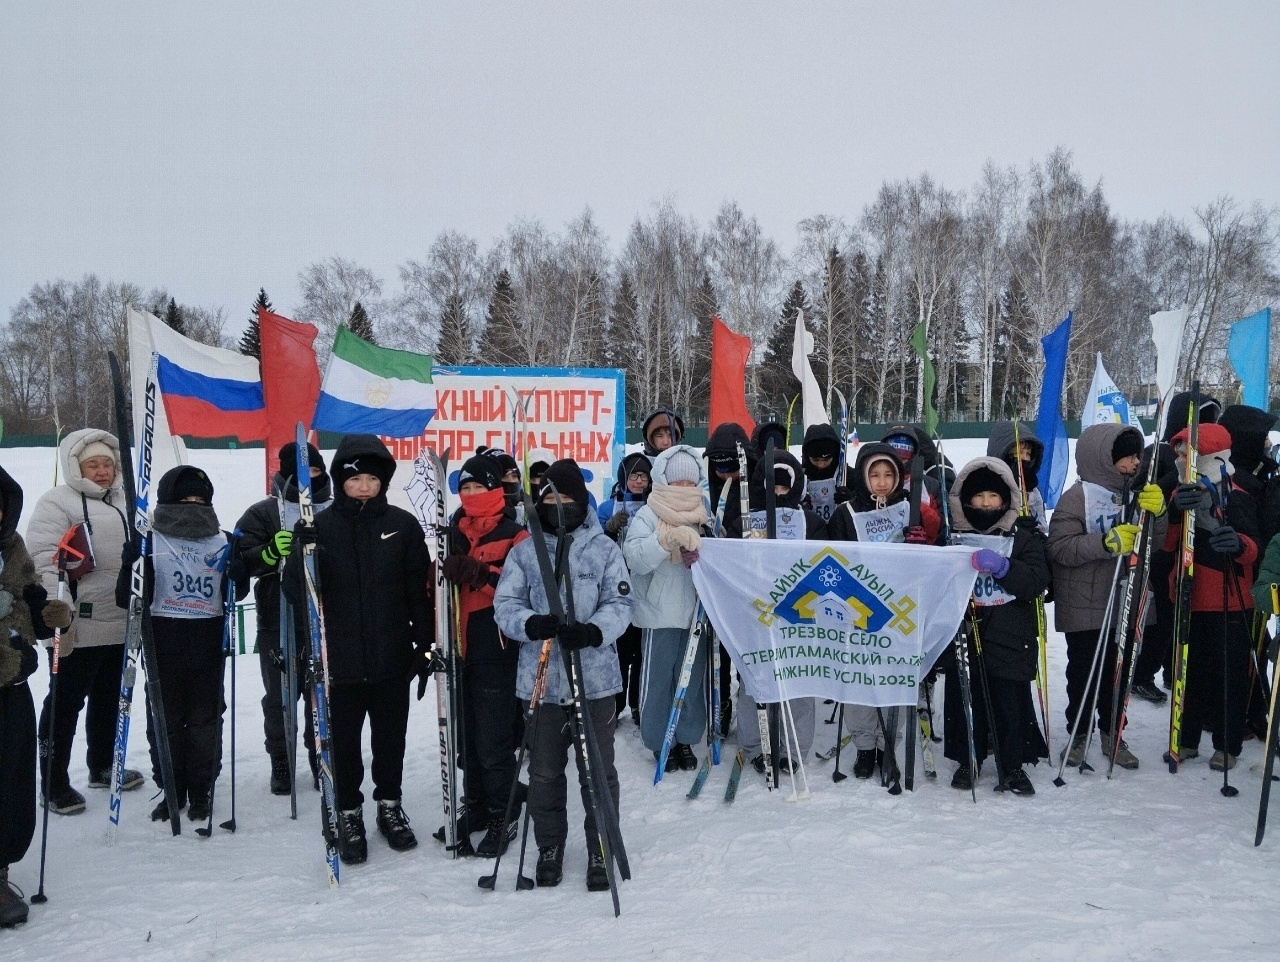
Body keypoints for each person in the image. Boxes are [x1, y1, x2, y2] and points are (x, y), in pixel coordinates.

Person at [284, 435, 433, 865]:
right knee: (344, 744)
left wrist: (424, 644)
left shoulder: (403, 525)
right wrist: (300, 552)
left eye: (372, 479)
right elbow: (296, 593)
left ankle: (389, 806)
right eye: (355, 480)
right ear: (340, 482)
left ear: (383, 480)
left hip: (391, 658)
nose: (364, 487)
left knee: (390, 741)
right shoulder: (320, 527)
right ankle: (347, 812)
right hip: (339, 661)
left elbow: (418, 591)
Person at [493, 459, 633, 891]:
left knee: (597, 771)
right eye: (551, 500)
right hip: (541, 684)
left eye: (568, 499)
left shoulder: (603, 549)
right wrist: (530, 624)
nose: (559, 506)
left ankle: (601, 845)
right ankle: (549, 844)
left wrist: (593, 631)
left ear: (582, 502)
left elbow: (621, 604)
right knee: (545, 773)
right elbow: (506, 604)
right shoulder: (525, 551)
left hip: (595, 682)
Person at [115, 466, 249, 822]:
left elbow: (236, 591)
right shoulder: (150, 541)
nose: (193, 506)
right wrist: (130, 565)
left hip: (207, 645)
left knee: (206, 721)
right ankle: (172, 788)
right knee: (165, 721)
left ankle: (202, 789)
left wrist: (240, 574)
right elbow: (125, 599)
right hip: (163, 643)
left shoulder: (223, 539)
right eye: (185, 499)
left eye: (200, 500)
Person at [26, 429, 144, 814]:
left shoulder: (128, 500)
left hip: (121, 619)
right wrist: (57, 607)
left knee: (110, 698)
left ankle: (104, 766)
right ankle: (53, 783)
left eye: (107, 464)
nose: (102, 471)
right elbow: (43, 558)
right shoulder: (57, 501)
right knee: (65, 705)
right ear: (76, 467)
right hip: (76, 623)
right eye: (93, 464)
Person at [1046, 423, 1167, 769]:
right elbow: (1060, 547)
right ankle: (1079, 733)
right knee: (1084, 674)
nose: (1134, 463)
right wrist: (1104, 543)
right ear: (1103, 459)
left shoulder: (1139, 493)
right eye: (1125, 457)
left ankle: (1113, 732)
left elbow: (1154, 543)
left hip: (1125, 600)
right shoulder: (1078, 497)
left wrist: (1159, 514)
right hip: (1084, 605)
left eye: (1136, 456)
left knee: (1120, 674)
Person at [824, 443, 940, 778]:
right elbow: (833, 558)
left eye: (889, 474)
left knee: (895, 678)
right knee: (859, 679)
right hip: (858, 609)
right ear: (863, 476)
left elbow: (936, 551)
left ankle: (889, 741)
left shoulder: (910, 508)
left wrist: (924, 540)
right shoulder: (846, 513)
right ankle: (864, 746)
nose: (882, 481)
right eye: (874, 474)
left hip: (900, 609)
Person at [439, 451, 529, 858]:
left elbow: (523, 589)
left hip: (496, 647)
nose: (472, 494)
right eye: (466, 487)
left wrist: (480, 574)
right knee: (466, 741)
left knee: (493, 742)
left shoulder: (515, 533)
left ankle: (502, 812)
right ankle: (475, 806)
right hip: (457, 647)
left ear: (496, 489)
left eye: (480, 486)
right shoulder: (450, 532)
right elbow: (436, 588)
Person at [942, 458, 1050, 794]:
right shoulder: (951, 539)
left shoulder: (1022, 537)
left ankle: (1012, 765)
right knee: (965, 698)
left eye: (993, 496)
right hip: (966, 631)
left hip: (1011, 634)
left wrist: (1005, 567)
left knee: (1010, 702)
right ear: (965, 499)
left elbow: (1037, 580)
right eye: (979, 496)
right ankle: (968, 759)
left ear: (1006, 499)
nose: (986, 503)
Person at [234, 442, 331, 796]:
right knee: (279, 694)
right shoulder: (264, 511)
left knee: (320, 691)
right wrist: (270, 552)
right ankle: (281, 758)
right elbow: (241, 560)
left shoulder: (334, 509)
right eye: (301, 474)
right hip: (278, 615)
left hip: (323, 616)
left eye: (315, 472)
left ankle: (321, 755)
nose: (309, 480)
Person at [0, 464, 72, 926]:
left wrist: (47, 615)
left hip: (12, 690)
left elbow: (28, 600)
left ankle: (0, 870)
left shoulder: (12, 547)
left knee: (11, 780)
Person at [1163, 423, 1259, 770]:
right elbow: (1167, 545)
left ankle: (1227, 745)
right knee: (1188, 674)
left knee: (1228, 678)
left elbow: (1255, 548)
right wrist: (1174, 513)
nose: (1179, 459)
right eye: (1177, 453)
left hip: (1229, 600)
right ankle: (1186, 739)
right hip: (1189, 596)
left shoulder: (1237, 495)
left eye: (1186, 452)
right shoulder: (1179, 493)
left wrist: (1239, 544)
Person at [731, 449, 824, 774]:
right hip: (756, 614)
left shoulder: (811, 522)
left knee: (799, 683)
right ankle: (757, 745)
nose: (779, 494)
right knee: (755, 681)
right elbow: (729, 564)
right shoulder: (743, 521)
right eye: (773, 487)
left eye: (785, 487)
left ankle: (793, 749)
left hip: (800, 615)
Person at [623, 446, 710, 771]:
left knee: (691, 679)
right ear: (663, 480)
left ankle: (685, 737)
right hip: (659, 612)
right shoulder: (649, 513)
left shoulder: (704, 512)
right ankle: (660, 739)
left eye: (689, 482)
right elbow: (634, 559)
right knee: (658, 680)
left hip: (696, 613)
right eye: (677, 482)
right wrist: (665, 541)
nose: (684, 488)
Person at [597, 452, 652, 726]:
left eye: (644, 476)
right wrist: (609, 528)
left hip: (645, 586)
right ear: (623, 478)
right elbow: (595, 545)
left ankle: (640, 704)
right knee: (619, 650)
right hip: (616, 588)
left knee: (641, 652)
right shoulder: (608, 506)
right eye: (634, 476)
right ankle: (615, 706)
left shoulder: (654, 504)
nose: (639, 481)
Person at [987, 421, 1048, 531]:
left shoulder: (1033, 489)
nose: (1024, 458)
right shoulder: (985, 486)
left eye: (1028, 454)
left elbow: (1042, 524)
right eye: (1018, 453)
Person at [800, 423, 846, 523]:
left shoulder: (845, 474)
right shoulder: (799, 475)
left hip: (839, 528)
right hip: (811, 529)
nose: (821, 465)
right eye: (815, 460)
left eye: (826, 459)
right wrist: (799, 503)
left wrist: (850, 499)